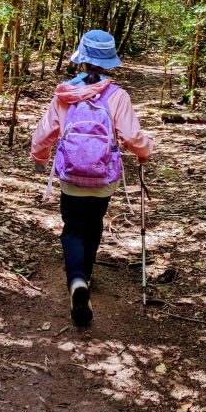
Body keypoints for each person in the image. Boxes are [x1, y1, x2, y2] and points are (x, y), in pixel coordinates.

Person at [31, 29, 153, 326]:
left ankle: (76, 282)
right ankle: (86, 273)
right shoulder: (118, 96)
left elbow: (45, 132)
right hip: (103, 177)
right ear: (109, 62)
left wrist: (40, 156)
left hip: (71, 175)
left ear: (81, 60)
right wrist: (144, 151)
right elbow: (131, 135)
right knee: (94, 222)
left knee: (72, 227)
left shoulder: (64, 94)